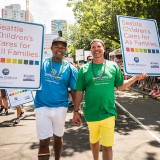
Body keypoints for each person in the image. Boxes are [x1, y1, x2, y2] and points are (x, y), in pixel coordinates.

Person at [72, 39, 147, 160]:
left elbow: (121, 86)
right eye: (93, 47)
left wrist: (135, 78)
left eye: (99, 46)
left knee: (107, 146)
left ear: (104, 48)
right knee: (94, 141)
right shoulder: (84, 69)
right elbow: (79, 91)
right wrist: (76, 111)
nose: (96, 49)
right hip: (91, 113)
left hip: (108, 112)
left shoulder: (113, 66)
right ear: (90, 50)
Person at [34, 37, 78, 160]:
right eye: (57, 46)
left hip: (60, 108)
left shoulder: (70, 68)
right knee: (43, 142)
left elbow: (75, 90)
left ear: (66, 50)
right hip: (42, 106)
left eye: (62, 47)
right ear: (51, 48)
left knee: (58, 138)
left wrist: (77, 110)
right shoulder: (41, 64)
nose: (60, 49)